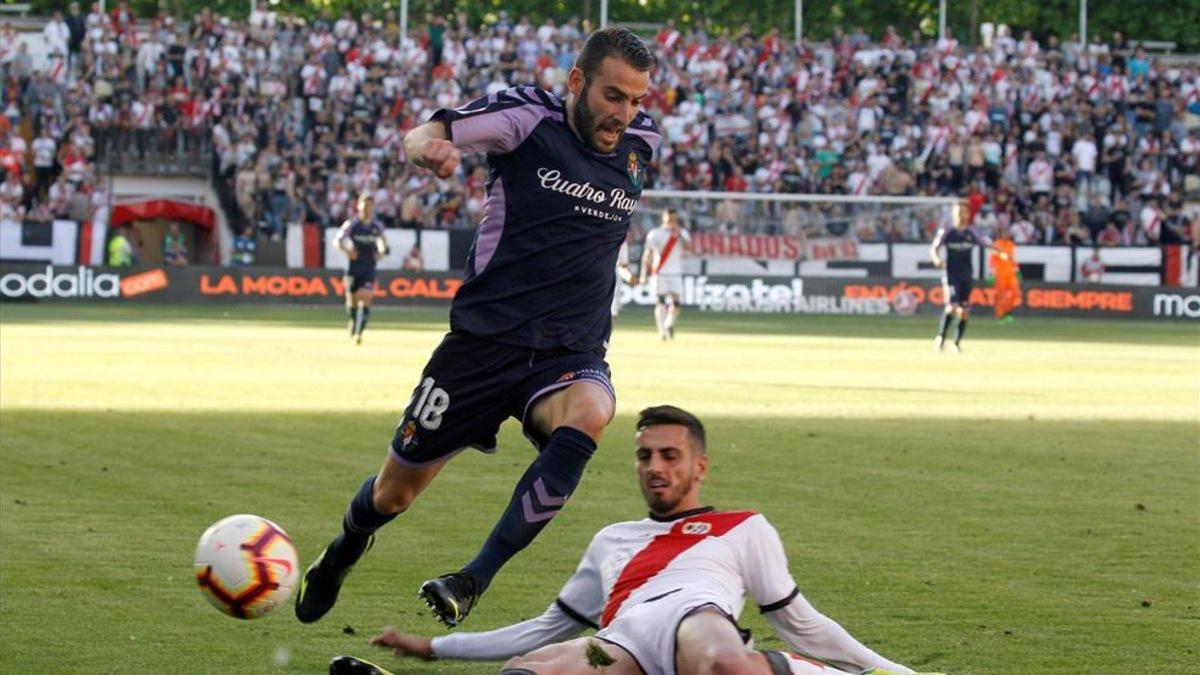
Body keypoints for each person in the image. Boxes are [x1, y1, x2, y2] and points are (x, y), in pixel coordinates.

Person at [295, 26, 660, 629]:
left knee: (592, 411)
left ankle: (472, 578)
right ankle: (343, 550)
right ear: (577, 82)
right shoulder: (525, 118)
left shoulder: (641, 142)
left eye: (637, 100)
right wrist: (429, 149)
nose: (624, 114)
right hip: (481, 346)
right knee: (393, 495)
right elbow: (426, 133)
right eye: (613, 96)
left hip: (568, 350)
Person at [361, 406, 939, 675]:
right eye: (644, 456)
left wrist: (893, 669)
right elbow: (544, 628)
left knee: (723, 666)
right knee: (531, 669)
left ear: (700, 466)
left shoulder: (743, 527)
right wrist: (434, 648)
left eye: (670, 455)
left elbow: (802, 623)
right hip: (620, 644)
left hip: (696, 618)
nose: (655, 467)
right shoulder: (612, 541)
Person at [930, 203, 1007, 353]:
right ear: (953, 214)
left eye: (963, 212)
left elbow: (987, 243)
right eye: (958, 212)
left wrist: (1000, 252)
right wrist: (936, 259)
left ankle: (956, 344)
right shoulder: (947, 231)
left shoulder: (973, 232)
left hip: (966, 275)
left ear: (968, 214)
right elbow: (934, 247)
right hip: (951, 274)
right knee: (952, 307)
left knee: (964, 310)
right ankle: (941, 338)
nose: (960, 215)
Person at [336, 193, 389, 345]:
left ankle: (359, 332)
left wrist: (381, 252)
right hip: (354, 268)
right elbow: (338, 240)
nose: (367, 208)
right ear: (359, 206)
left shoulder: (376, 226)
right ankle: (353, 321)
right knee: (352, 300)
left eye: (370, 205)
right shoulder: (352, 224)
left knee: (365, 295)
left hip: (369, 267)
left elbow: (383, 242)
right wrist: (348, 251)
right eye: (365, 205)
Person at [640, 208, 691, 340]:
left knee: (677, 302)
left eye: (674, 219)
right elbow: (648, 254)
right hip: (660, 272)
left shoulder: (682, 233)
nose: (672, 221)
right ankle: (661, 330)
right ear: (664, 218)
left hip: (676, 272)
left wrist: (679, 235)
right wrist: (643, 273)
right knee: (660, 301)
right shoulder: (655, 233)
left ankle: (669, 323)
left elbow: (687, 248)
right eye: (670, 219)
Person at [988, 227, 1019, 323]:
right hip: (1000, 273)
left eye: (1008, 232)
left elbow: (1013, 258)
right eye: (1005, 232)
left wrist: (1017, 270)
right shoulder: (997, 244)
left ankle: (1007, 311)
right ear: (1001, 233)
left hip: (1010, 273)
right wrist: (991, 273)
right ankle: (1000, 315)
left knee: (1015, 293)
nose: (1007, 234)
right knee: (1000, 296)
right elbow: (992, 259)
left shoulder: (1011, 244)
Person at [610, 233, 635, 321]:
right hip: (610, 272)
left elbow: (622, 265)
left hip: (612, 273)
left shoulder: (622, 242)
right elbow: (623, 265)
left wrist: (628, 277)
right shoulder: (622, 241)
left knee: (612, 308)